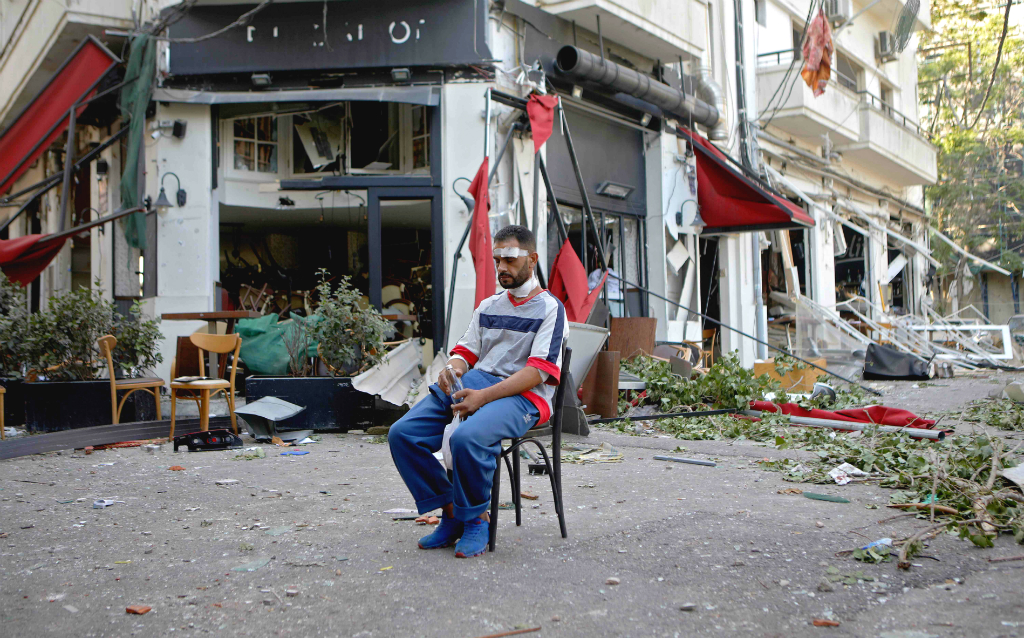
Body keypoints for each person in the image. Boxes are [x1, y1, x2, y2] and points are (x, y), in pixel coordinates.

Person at [388, 225, 567, 558]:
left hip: (525, 398)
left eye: (510, 259)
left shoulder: (550, 309)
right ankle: (452, 512)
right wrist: (454, 368)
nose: (502, 267)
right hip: (477, 386)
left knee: (466, 439)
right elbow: (466, 351)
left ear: (532, 259)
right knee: (403, 434)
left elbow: (538, 372)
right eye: (498, 259)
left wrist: (484, 397)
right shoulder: (488, 306)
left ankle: (476, 520)